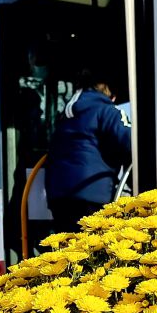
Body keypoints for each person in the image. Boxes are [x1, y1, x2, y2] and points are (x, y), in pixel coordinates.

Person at [45, 70, 132, 233]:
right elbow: (131, 141)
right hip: (93, 193)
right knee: (93, 251)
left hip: (57, 196)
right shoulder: (107, 111)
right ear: (108, 91)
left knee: (68, 250)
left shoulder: (63, 118)